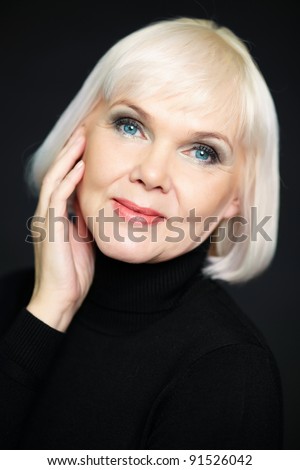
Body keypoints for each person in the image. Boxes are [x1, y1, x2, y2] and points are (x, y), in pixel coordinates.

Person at [0, 16, 283, 449]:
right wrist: (47, 312)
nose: (151, 173)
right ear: (80, 135)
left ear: (236, 199)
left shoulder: (229, 369)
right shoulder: (11, 302)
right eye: (131, 125)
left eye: (202, 152)